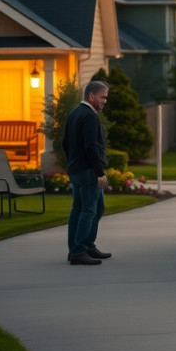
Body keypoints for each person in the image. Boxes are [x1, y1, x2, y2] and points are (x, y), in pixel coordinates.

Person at [63, 80, 112, 266]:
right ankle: (78, 251)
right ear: (91, 96)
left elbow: (65, 143)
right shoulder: (89, 116)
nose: (105, 101)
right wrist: (100, 172)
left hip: (76, 169)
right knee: (89, 210)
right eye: (102, 97)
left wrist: (72, 163)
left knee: (87, 208)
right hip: (88, 171)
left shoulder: (74, 113)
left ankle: (86, 247)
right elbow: (92, 147)